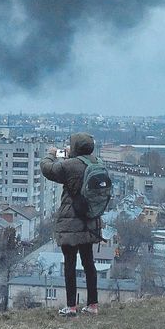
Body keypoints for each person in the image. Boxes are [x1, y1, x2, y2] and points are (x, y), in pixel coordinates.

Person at [40, 132, 102, 317]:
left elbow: (47, 169)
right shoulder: (97, 162)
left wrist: (51, 153)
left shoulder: (69, 165)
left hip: (71, 220)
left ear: (75, 147)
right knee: (89, 263)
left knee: (70, 265)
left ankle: (71, 306)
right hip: (90, 220)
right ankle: (92, 305)